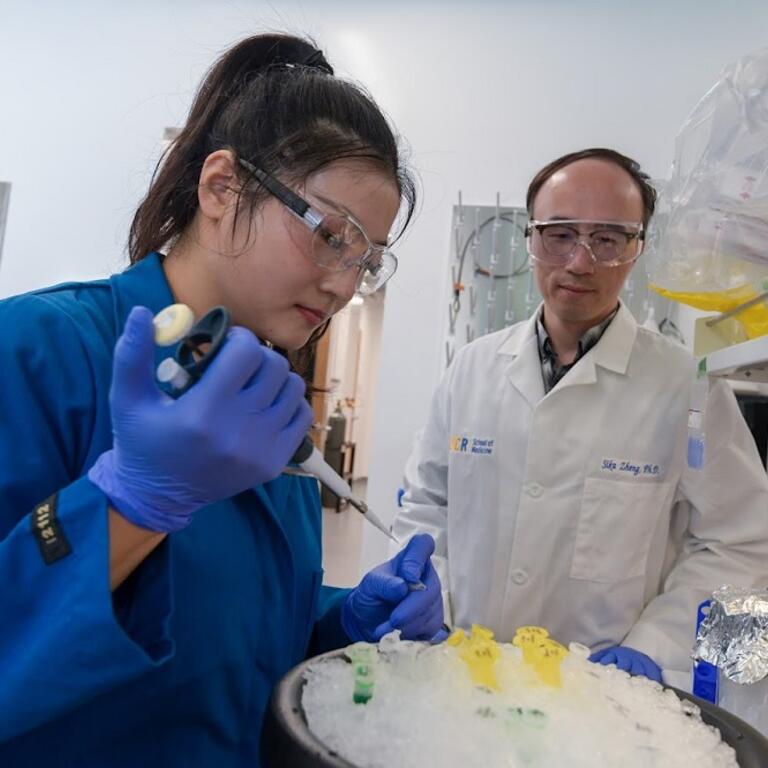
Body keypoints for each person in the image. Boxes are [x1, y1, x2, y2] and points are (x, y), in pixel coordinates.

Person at [0, 33, 446, 766]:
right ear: (220, 187)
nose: (343, 285)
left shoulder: (269, 409)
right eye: (331, 235)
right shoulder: (39, 350)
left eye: (367, 261)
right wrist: (128, 505)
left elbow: (240, 645)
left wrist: (342, 625)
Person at [393, 147, 768, 689]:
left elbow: (745, 542)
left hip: (601, 696)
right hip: (461, 671)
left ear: (636, 250)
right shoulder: (471, 368)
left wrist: (658, 645)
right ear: (531, 238)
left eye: (609, 239)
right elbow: (426, 503)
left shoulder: (688, 388)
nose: (580, 262)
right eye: (560, 234)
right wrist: (431, 595)